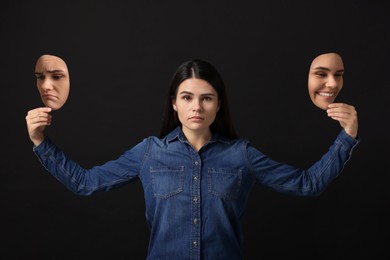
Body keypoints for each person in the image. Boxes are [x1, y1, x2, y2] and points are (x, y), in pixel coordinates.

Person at [25, 59, 359, 260]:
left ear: (218, 104)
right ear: (174, 103)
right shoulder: (149, 153)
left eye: (206, 98)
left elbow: (307, 184)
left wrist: (346, 138)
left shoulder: (241, 155)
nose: (196, 106)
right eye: (187, 97)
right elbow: (86, 183)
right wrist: (41, 142)